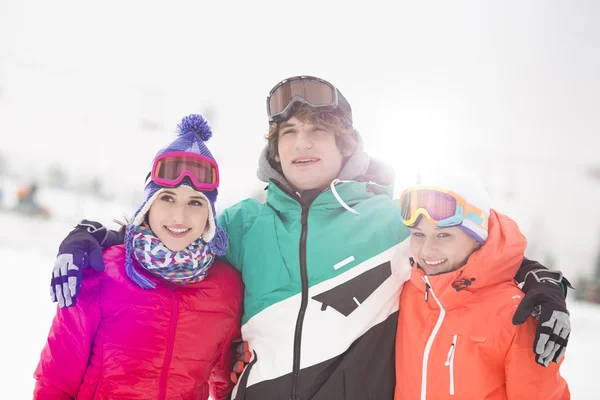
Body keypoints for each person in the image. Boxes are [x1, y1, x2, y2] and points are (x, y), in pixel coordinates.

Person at [48, 76, 572, 400]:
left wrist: (540, 281)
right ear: (274, 148)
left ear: (345, 145)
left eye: (317, 131)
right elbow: (175, 230)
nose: (302, 144)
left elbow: (468, 238)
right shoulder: (241, 222)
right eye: (289, 133)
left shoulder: (391, 219)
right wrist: (92, 237)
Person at [35, 114, 243, 399]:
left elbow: (226, 386)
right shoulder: (101, 271)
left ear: (209, 216)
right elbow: (55, 380)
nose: (179, 216)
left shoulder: (225, 288)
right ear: (148, 206)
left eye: (195, 203)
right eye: (167, 198)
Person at [394, 168, 570, 399]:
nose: (427, 250)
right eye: (418, 235)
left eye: (444, 235)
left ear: (478, 238)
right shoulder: (405, 290)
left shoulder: (516, 313)